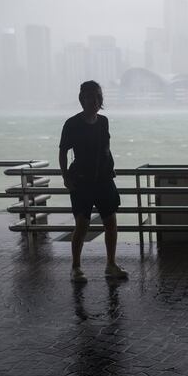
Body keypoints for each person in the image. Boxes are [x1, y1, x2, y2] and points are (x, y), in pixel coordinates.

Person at [59, 80, 128, 283]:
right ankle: (76, 267)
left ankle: (111, 264)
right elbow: (63, 151)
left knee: (111, 223)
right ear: (82, 99)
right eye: (90, 96)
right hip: (81, 181)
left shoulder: (103, 121)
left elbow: (105, 149)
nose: (95, 101)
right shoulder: (72, 124)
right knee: (82, 224)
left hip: (105, 179)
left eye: (98, 96)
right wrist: (65, 177)